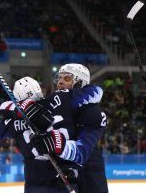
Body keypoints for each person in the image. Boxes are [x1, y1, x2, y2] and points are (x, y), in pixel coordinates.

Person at [0, 75, 104, 193]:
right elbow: (94, 92)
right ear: (39, 89)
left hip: (35, 186)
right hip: (67, 181)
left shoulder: (13, 123)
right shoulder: (60, 99)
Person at [52, 63, 108, 193]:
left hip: (90, 177)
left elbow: (81, 152)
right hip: (63, 175)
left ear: (80, 83)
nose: (60, 82)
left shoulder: (93, 113)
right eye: (59, 78)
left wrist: (54, 142)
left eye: (66, 79)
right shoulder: (55, 107)